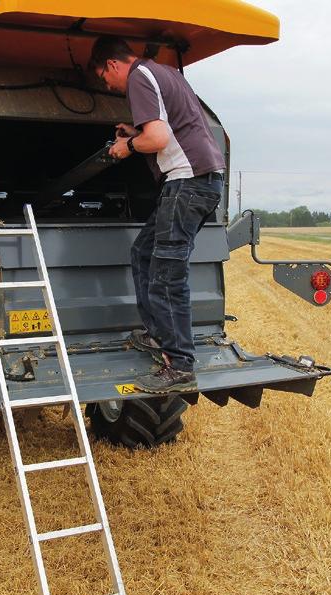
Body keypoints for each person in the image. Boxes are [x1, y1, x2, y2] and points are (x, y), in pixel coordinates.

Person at [89, 36, 225, 394]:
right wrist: (137, 132)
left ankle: (179, 365)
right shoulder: (165, 72)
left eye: (105, 78)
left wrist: (127, 145)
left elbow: (160, 138)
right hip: (202, 183)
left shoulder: (138, 77)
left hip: (186, 183)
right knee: (144, 253)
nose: (109, 85)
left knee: (166, 277)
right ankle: (157, 335)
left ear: (114, 65)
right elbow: (170, 127)